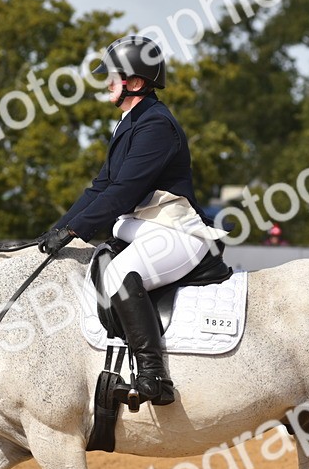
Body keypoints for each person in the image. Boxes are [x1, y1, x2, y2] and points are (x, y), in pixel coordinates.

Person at [38, 35, 227, 406]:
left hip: (175, 231)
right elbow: (101, 187)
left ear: (136, 82)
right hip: (149, 227)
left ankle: (154, 377)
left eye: (112, 76)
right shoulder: (131, 121)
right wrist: (57, 230)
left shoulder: (156, 125)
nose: (106, 82)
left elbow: (123, 193)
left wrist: (76, 231)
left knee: (119, 274)